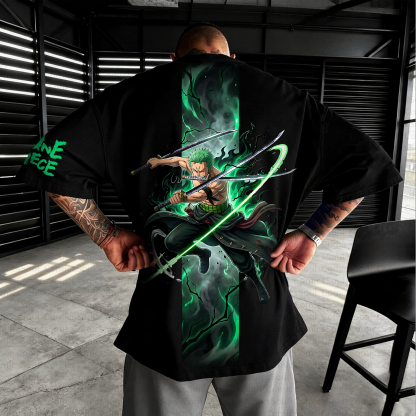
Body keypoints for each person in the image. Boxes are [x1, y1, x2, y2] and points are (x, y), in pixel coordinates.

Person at [16, 22, 402, 416]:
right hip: (258, 326)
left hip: (164, 326)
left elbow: (48, 163)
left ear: (174, 59)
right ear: (232, 58)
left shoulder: (128, 98)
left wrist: (109, 236)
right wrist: (312, 233)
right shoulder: (289, 99)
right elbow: (370, 165)